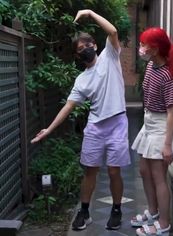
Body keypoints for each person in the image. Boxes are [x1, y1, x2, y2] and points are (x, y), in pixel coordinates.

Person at [31, 9, 131, 231]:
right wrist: (48, 129)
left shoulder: (110, 56)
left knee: (114, 171)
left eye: (87, 46)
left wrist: (90, 13)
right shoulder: (82, 80)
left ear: (95, 45)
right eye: (80, 50)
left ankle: (116, 210)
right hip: (95, 126)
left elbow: (113, 31)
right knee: (90, 171)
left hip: (117, 123)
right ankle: (84, 212)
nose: (85, 50)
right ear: (77, 57)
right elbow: (68, 106)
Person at [130, 27, 173, 236]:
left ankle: (164, 223)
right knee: (143, 169)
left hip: (161, 125)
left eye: (144, 45)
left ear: (155, 48)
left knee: (159, 176)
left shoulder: (168, 77)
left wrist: (167, 145)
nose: (140, 48)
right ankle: (152, 212)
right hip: (148, 121)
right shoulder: (152, 66)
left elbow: (171, 114)